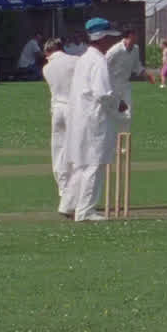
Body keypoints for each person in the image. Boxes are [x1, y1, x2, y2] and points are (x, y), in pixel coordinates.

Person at [61, 17, 124, 222]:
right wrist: (119, 104)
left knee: (81, 163)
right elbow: (103, 93)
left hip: (80, 117)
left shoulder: (84, 58)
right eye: (109, 39)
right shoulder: (97, 61)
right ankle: (85, 210)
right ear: (101, 38)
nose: (111, 43)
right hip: (94, 118)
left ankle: (69, 204)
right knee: (94, 163)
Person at [42, 34, 79, 216]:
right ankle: (71, 199)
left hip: (57, 110)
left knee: (59, 153)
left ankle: (64, 194)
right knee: (73, 153)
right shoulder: (75, 60)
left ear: (50, 50)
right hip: (73, 109)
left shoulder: (46, 68)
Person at [105, 26, 143, 139]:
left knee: (127, 115)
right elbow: (103, 65)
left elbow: (137, 66)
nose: (136, 38)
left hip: (125, 85)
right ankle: (110, 141)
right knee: (112, 114)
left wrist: (147, 74)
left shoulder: (135, 49)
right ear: (128, 37)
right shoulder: (115, 50)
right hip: (112, 85)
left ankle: (123, 144)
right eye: (134, 36)